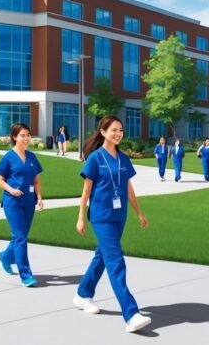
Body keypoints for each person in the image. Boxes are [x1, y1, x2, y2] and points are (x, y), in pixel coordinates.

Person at [74, 115, 151, 333]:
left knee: (102, 256)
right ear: (103, 132)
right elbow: (86, 191)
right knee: (116, 261)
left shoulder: (124, 159)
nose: (118, 133)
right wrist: (81, 217)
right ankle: (131, 314)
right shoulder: (95, 159)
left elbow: (128, 189)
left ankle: (82, 293)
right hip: (101, 216)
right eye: (113, 130)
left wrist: (139, 213)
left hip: (120, 215)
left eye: (121, 130)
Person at [0, 123, 44, 287]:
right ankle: (25, 275)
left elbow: (36, 180)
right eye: (22, 135)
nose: (26, 138)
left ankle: (5, 257)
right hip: (12, 202)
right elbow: (0, 181)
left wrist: (40, 197)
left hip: (29, 202)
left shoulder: (32, 157)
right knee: (21, 236)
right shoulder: (8, 157)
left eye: (28, 135)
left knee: (20, 236)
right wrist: (11, 190)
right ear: (15, 137)